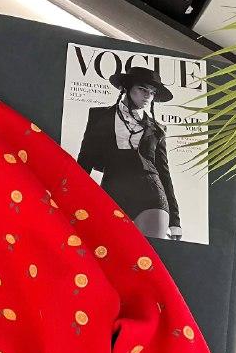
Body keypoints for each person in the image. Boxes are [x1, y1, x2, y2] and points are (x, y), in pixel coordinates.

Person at [76, 66, 182, 240]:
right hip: (113, 191)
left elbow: (164, 173)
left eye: (152, 92)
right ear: (127, 87)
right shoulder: (100, 116)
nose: (148, 96)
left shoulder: (158, 129)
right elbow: (85, 160)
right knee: (107, 249)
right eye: (142, 89)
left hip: (151, 194)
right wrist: (71, 197)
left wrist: (175, 221)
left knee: (147, 253)